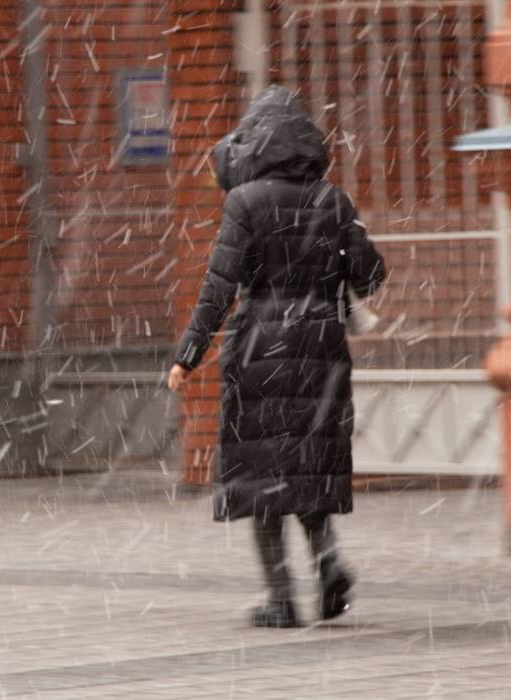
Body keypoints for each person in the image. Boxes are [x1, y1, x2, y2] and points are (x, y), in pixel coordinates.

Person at [168, 86, 387, 628]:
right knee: (308, 465)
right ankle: (329, 565)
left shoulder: (244, 202)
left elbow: (219, 287)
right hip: (321, 345)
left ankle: (282, 600)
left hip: (260, 345)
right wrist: (335, 253)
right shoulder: (332, 200)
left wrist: (187, 354)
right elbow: (372, 275)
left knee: (261, 475)